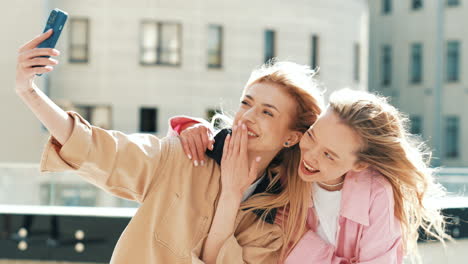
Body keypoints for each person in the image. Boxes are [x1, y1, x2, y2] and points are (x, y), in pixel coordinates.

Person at [15, 29, 323, 263]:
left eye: (268, 112)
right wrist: (28, 91)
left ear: (291, 137)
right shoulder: (183, 155)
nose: (248, 117)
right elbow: (93, 147)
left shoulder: (275, 225)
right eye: (246, 103)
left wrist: (231, 194)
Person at [177, 89, 449, 263]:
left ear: (360, 165)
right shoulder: (286, 168)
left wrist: (305, 246)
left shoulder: (377, 193)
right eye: (312, 136)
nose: (310, 156)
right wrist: (190, 127)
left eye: (330, 155)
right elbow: (240, 139)